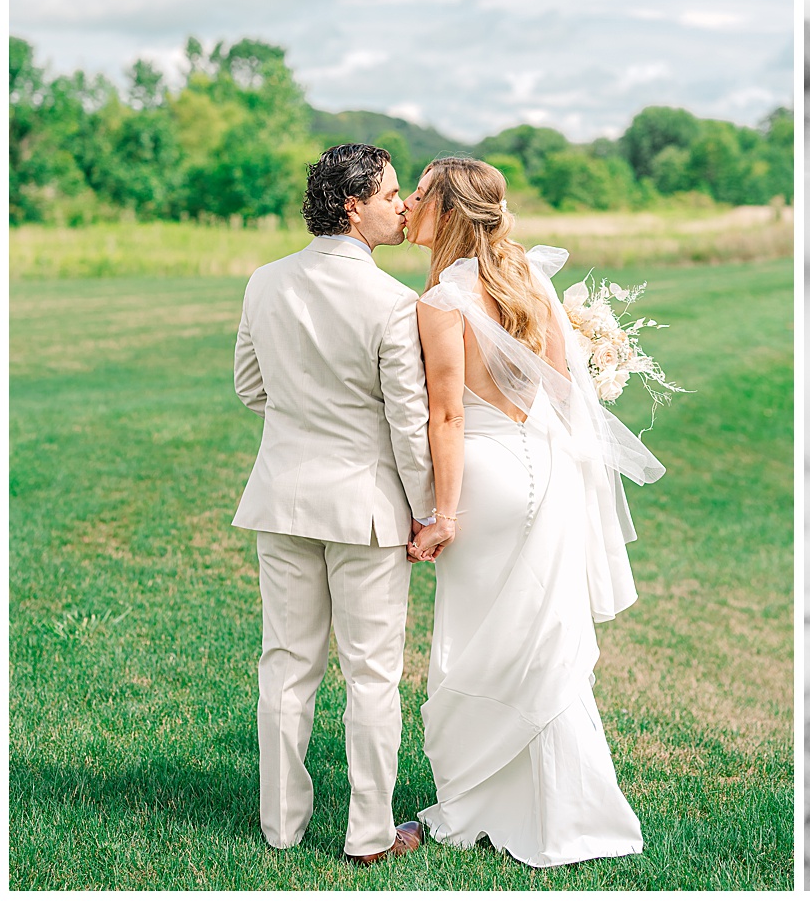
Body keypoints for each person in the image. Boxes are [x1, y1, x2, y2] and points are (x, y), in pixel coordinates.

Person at [402, 156, 663, 868]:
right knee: (539, 643)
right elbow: (558, 392)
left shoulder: (441, 303)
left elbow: (448, 416)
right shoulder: (526, 280)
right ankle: (560, 810)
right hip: (544, 470)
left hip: (485, 479)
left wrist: (442, 514)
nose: (407, 205)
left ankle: (502, 805)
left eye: (420, 195)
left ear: (447, 212)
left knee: (487, 637)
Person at [232, 143, 432, 865]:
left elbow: (251, 388)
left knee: (286, 664)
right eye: (390, 194)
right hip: (367, 510)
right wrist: (429, 511)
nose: (403, 204)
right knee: (373, 675)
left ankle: (280, 827)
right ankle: (371, 835)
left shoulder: (264, 281)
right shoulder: (392, 302)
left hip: (282, 499)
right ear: (353, 205)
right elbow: (410, 425)